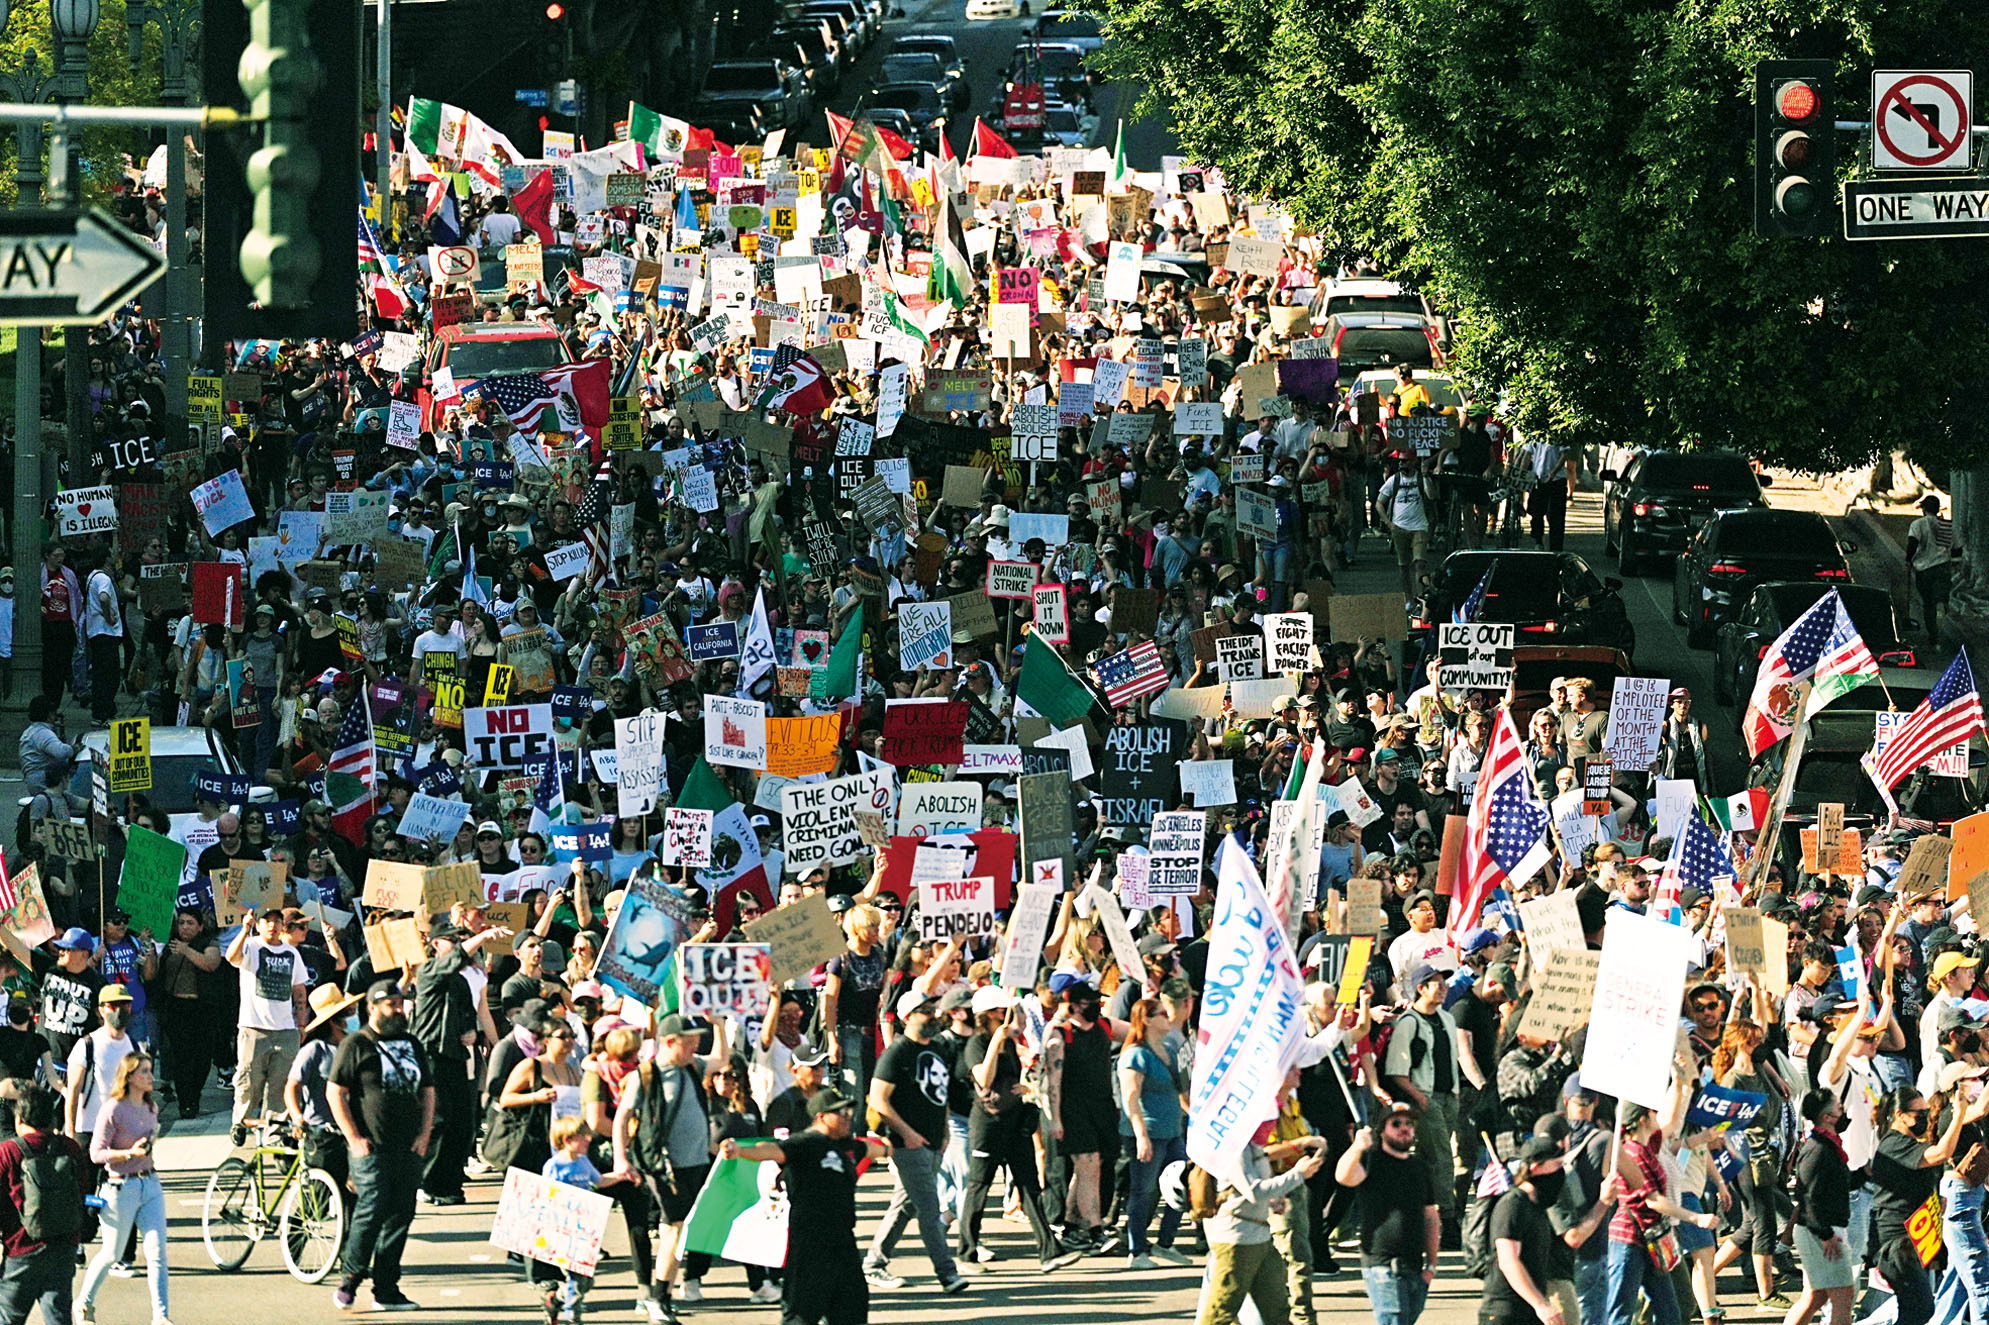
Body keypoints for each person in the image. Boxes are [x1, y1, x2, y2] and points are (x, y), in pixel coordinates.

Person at [718, 1088, 891, 1325]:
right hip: (810, 1245)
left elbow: (869, 1148)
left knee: (852, 1309)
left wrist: (888, 1148)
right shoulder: (804, 1143)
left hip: (843, 1243)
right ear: (821, 1116)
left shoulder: (846, 1145)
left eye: (849, 1111)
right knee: (801, 1315)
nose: (848, 1117)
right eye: (841, 1112)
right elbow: (770, 1150)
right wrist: (740, 1151)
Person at [612, 1012, 730, 1323]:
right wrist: (620, 1159)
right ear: (669, 1042)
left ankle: (661, 1297)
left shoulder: (691, 1067)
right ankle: (658, 1298)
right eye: (689, 1043)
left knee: (677, 1231)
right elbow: (622, 1116)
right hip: (666, 1166)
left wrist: (719, 1025)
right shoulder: (645, 1074)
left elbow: (720, 1059)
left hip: (696, 1163)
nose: (695, 1048)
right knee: (674, 1229)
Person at [327, 978, 436, 1313]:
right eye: (391, 1004)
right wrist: (353, 1137)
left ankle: (387, 1289)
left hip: (409, 1146)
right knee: (372, 1209)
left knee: (401, 1214)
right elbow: (336, 1092)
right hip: (370, 1147)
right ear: (372, 1008)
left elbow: (428, 1091)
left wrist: (424, 1134)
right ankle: (349, 1278)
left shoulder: (412, 1043)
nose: (399, 1009)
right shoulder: (356, 1044)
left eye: (401, 1003)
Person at [863, 993, 968, 1293]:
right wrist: (906, 1133)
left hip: (935, 1142)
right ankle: (947, 1274)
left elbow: (941, 1092)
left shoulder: (936, 1049)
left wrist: (945, 1130)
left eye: (933, 1009)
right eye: (925, 1011)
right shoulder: (896, 1053)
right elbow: (879, 1100)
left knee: (904, 1206)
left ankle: (873, 1263)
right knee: (928, 1208)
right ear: (908, 1017)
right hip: (908, 1146)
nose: (933, 1015)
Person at [1196, 1104, 1327, 1325]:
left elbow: (1258, 1189)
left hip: (1260, 1238)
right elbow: (1254, 1189)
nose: (1270, 1124)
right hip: (1237, 1241)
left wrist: (1274, 1199)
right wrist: (1298, 1174)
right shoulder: (1235, 1148)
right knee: (1220, 1314)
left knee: (1276, 1311)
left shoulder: (1251, 1147)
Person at [1870, 1083, 1989, 1325]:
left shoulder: (1911, 1143)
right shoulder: (1893, 1143)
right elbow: (1940, 1154)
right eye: (1918, 1114)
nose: (1924, 1118)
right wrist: (1958, 1116)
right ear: (1899, 1115)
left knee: (1917, 1310)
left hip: (1915, 1239)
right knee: (1919, 1310)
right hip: (1895, 1242)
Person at [75, 1052, 171, 1325]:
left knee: (157, 1253)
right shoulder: (113, 1109)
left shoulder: (151, 1107)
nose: (151, 1077)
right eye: (144, 1072)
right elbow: (96, 1154)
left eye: (151, 1070)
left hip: (150, 1182)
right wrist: (128, 1153)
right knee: (111, 1254)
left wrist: (147, 1146)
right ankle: (83, 1303)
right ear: (129, 1077)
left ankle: (161, 1316)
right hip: (119, 1187)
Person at [1607, 1101, 1719, 1325]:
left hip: (1654, 1240)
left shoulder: (1648, 1145)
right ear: (1642, 1120)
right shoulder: (1632, 1153)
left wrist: (1681, 1084)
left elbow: (1674, 1122)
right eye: (1652, 1112)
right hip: (1629, 1241)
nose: (1658, 1114)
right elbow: (1653, 1200)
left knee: (1672, 1311)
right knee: (1620, 1315)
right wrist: (1696, 1218)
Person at [1335, 1101, 1441, 1325]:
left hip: (1415, 1266)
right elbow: (1343, 1176)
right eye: (1396, 1123)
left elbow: (1430, 1216)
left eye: (1409, 1124)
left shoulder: (1419, 1167)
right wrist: (1357, 1147)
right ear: (1382, 1130)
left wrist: (1431, 1265)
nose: (1404, 1128)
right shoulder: (1371, 1160)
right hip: (1383, 1265)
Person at [1382, 965, 1461, 1240]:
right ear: (1421, 988)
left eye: (1444, 984)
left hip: (1449, 1095)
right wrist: (1419, 1098)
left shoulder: (1446, 1019)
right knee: (1441, 1158)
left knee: (1431, 1160)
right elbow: (1396, 1070)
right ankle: (1449, 1220)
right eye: (1436, 984)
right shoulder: (1409, 1022)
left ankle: (1427, 1218)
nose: (1443, 989)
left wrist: (1456, 1092)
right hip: (1425, 1096)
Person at [0, 1085, 87, 1324]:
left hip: (21, 1249)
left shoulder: (9, 1152)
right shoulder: (70, 1148)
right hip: (63, 1246)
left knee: (8, 1317)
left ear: (19, 1118)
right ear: (51, 1117)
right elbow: (82, 1189)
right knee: (58, 1317)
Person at [225, 905, 310, 1146]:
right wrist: (245, 929)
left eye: (277, 921)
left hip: (284, 1029)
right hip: (253, 1027)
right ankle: (240, 1121)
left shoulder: (292, 953)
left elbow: (299, 989)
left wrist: (301, 1023)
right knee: (248, 1081)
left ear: (283, 926)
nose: (272, 925)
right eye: (267, 921)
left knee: (280, 1084)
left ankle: (276, 1132)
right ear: (260, 925)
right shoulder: (251, 946)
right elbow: (232, 957)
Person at [1119, 995, 1191, 1269]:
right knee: (1143, 1190)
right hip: (1149, 1130)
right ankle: (1137, 1250)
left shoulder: (1169, 1051)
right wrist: (1141, 1135)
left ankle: (1165, 1242)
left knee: (1183, 1186)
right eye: (1161, 1013)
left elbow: (1182, 1090)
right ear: (1147, 1019)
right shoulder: (1135, 1054)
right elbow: (1131, 1095)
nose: (1167, 1017)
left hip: (1172, 1129)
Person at [1482, 1136, 1573, 1325]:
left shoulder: (1537, 1206)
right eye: (1557, 1165)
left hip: (1530, 1312)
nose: (1561, 1172)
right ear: (1536, 1167)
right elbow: (1508, 1261)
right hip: (1506, 1312)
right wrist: (1541, 1305)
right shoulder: (1512, 1205)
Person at [1788, 1088, 1855, 1325]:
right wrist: (1825, 1235)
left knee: (1817, 1295)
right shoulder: (1818, 1149)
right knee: (1843, 1294)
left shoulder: (1826, 1146)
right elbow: (1807, 1197)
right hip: (1820, 1231)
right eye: (1839, 1108)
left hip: (1821, 1229)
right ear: (1828, 1118)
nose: (1843, 1111)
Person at [1905, 493, 1955, 636]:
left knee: (1928, 603)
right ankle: (1942, 606)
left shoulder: (1918, 524)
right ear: (1938, 509)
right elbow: (1956, 548)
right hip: (1943, 567)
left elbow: (1912, 544)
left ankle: (1934, 638)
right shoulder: (1947, 525)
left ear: (1924, 509)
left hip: (1924, 569)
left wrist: (1908, 560)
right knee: (1941, 595)